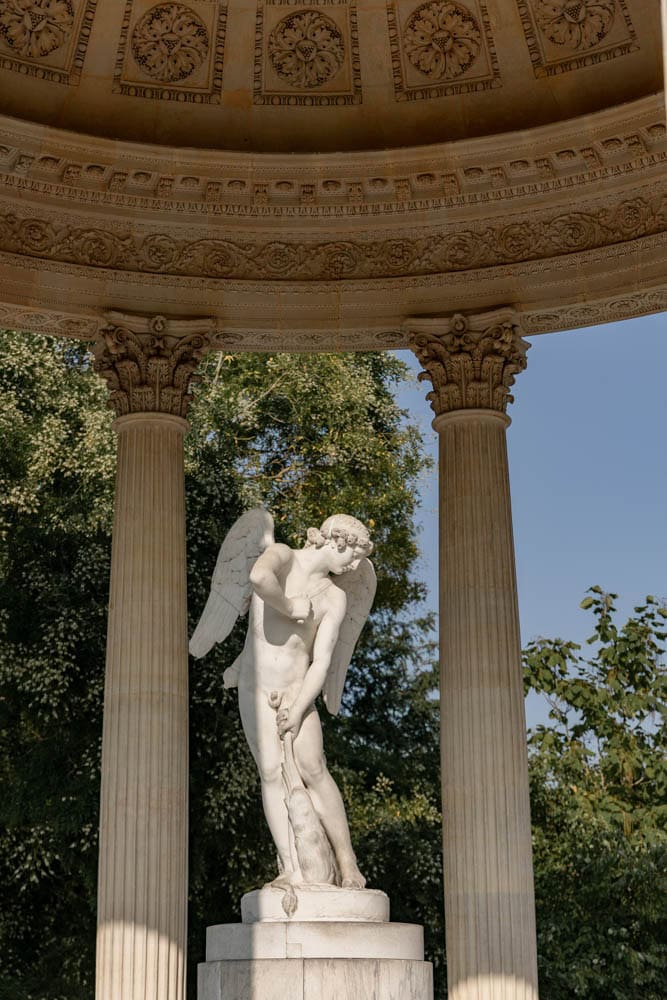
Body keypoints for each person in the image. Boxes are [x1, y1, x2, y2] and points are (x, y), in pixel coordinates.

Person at [230, 514, 373, 889]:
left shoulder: (334, 597)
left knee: (313, 768)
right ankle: (291, 868)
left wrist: (297, 709)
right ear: (336, 541)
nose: (354, 567)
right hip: (255, 687)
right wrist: (291, 606)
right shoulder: (281, 557)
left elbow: (322, 661)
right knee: (272, 774)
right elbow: (259, 579)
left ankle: (348, 864)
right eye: (354, 556)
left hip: (298, 689)